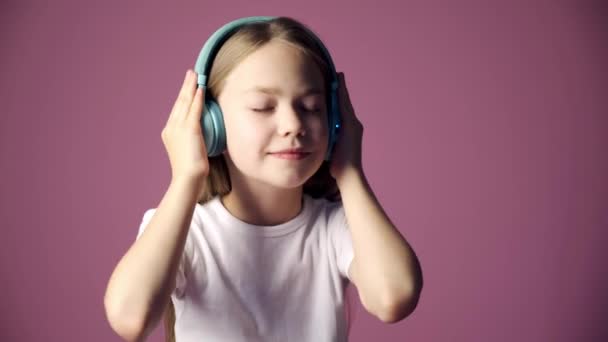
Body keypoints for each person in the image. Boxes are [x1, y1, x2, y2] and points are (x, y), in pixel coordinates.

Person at [104, 16, 423, 342]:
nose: (293, 124)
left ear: (334, 119)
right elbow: (132, 319)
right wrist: (186, 177)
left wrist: (350, 172)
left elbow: (393, 297)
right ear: (211, 124)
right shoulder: (186, 230)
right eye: (262, 107)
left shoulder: (335, 229)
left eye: (311, 107)